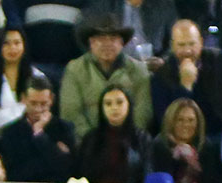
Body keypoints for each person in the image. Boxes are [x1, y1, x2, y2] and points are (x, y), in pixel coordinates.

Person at [151, 18, 222, 137]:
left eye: (192, 44)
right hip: (186, 139)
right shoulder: (161, 76)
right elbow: (166, 121)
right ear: (172, 46)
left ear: (201, 42)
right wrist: (185, 87)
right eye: (181, 45)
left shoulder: (219, 59)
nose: (187, 51)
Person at [0, 74, 76, 183]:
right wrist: (52, 153)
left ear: (52, 99)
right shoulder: (10, 133)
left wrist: (40, 136)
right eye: (33, 103)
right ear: (23, 98)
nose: (38, 109)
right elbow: (14, 174)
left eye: (44, 104)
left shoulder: (64, 129)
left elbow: (66, 170)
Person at [59, 14, 153, 142]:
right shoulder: (74, 69)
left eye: (113, 38)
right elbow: (70, 113)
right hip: (86, 145)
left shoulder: (138, 70)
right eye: (101, 38)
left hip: (129, 143)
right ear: (91, 42)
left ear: (122, 43)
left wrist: (123, 140)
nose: (107, 43)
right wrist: (94, 142)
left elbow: (143, 112)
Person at [76, 83, 153, 183]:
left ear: (129, 105)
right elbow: (83, 177)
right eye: (108, 104)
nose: (114, 108)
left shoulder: (142, 139)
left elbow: (146, 176)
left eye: (119, 102)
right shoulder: (90, 139)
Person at [150, 96, 222, 183]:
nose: (186, 125)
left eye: (191, 120)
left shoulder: (206, 147)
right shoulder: (159, 146)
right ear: (171, 122)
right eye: (180, 120)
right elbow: (157, 181)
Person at [0, 26, 36, 134]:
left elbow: (37, 114)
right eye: (6, 43)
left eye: (17, 43)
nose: (12, 48)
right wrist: (21, 108)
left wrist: (3, 115)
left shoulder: (36, 76)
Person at [80, 0, 180, 60]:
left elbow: (175, 40)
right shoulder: (103, 4)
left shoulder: (163, 5)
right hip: (113, 67)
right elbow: (83, 33)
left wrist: (163, 62)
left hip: (152, 70)